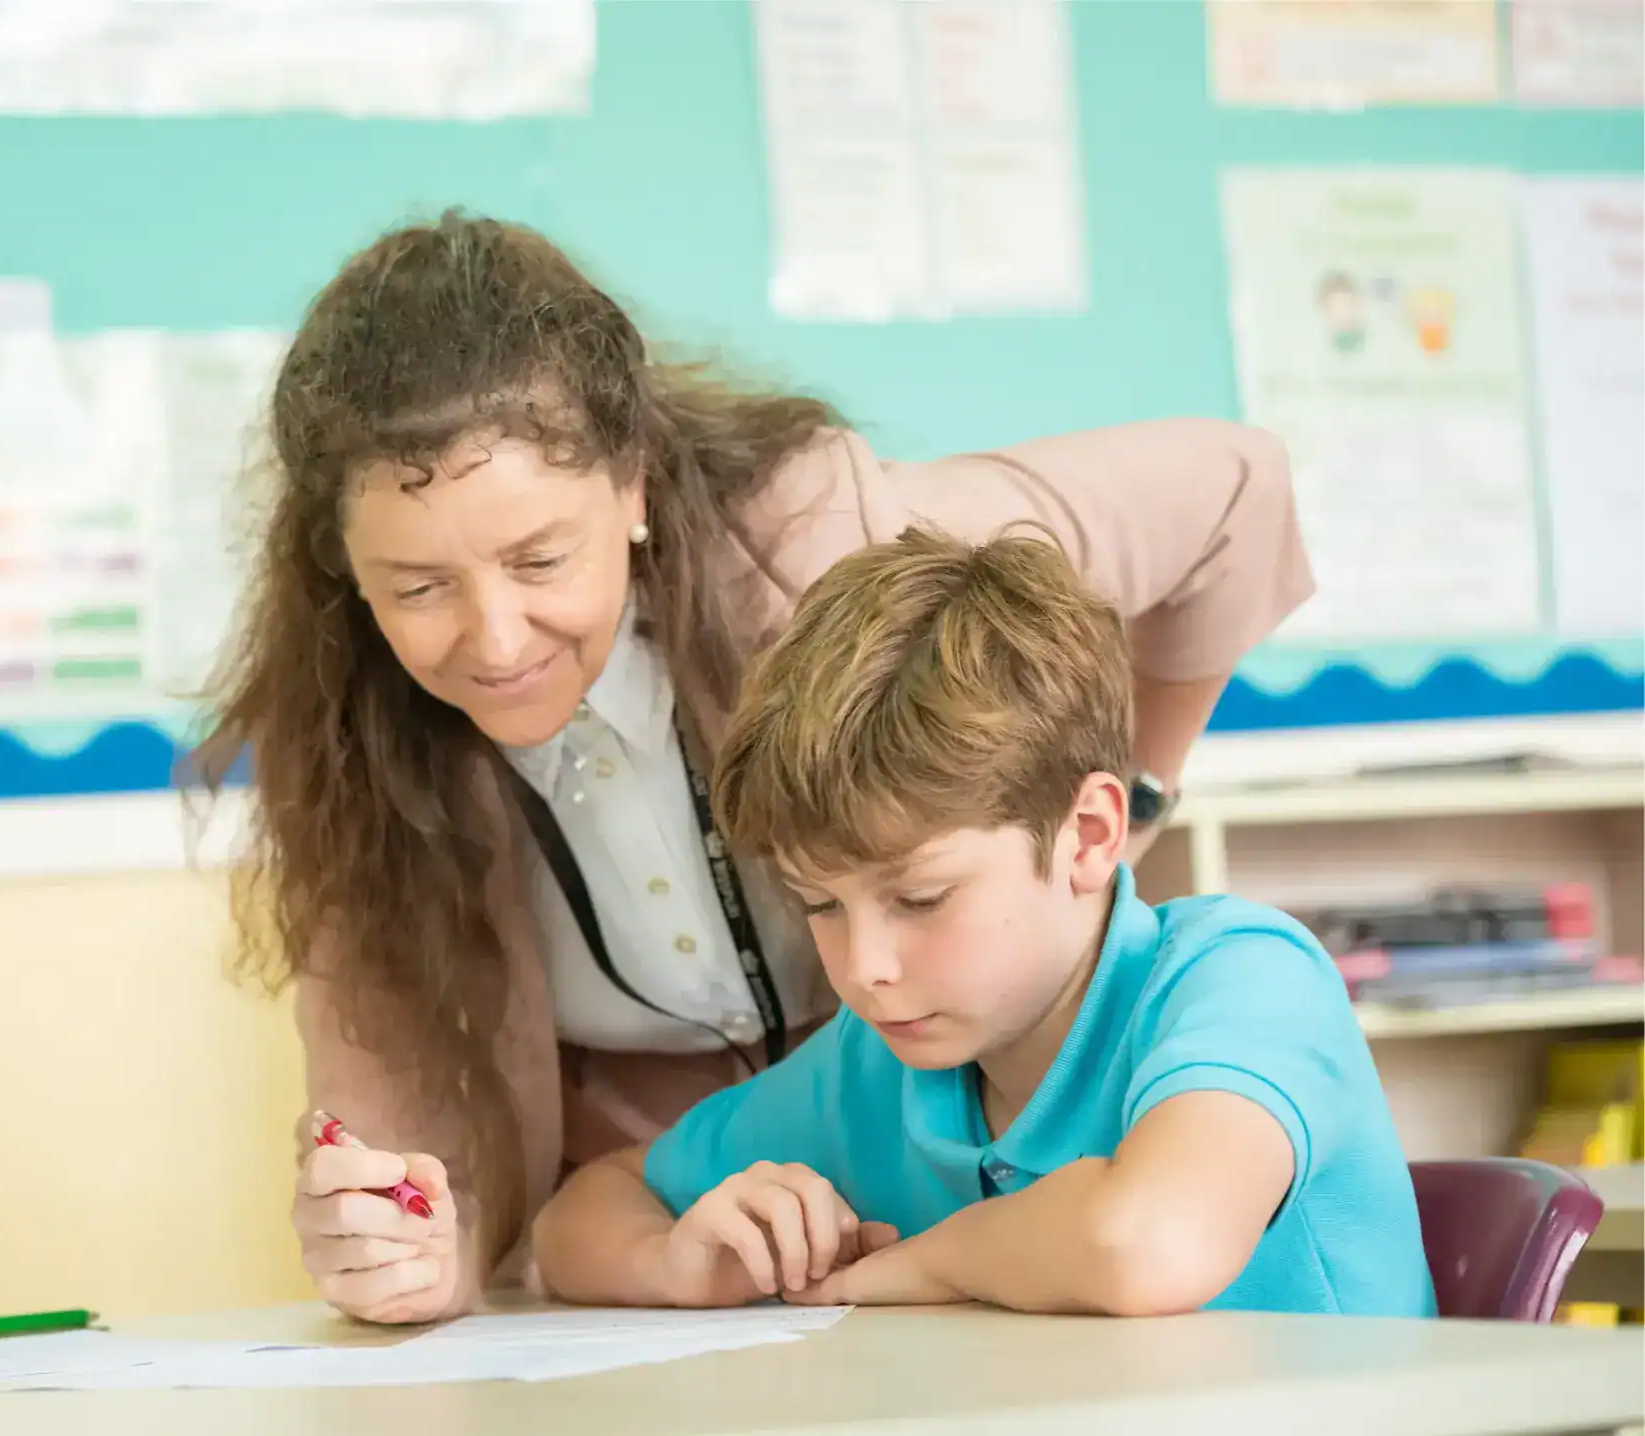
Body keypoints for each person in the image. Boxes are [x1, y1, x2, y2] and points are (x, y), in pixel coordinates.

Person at [193, 211, 1313, 1324]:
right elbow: (432, 1154)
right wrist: (404, 1244)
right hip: (694, 1209)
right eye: (417, 587)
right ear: (343, 564)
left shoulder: (827, 545)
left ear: (634, 484)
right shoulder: (345, 737)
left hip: (967, 1168)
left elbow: (1234, 492)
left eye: (540, 558)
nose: (493, 640)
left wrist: (1135, 801)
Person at [531, 527, 1434, 1318]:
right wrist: (675, 1264)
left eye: (920, 899)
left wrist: (912, 1266)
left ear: (1087, 835)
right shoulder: (877, 1065)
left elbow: (1145, 1244)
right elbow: (586, 1212)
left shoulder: (1242, 977)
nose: (866, 968)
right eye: (820, 905)